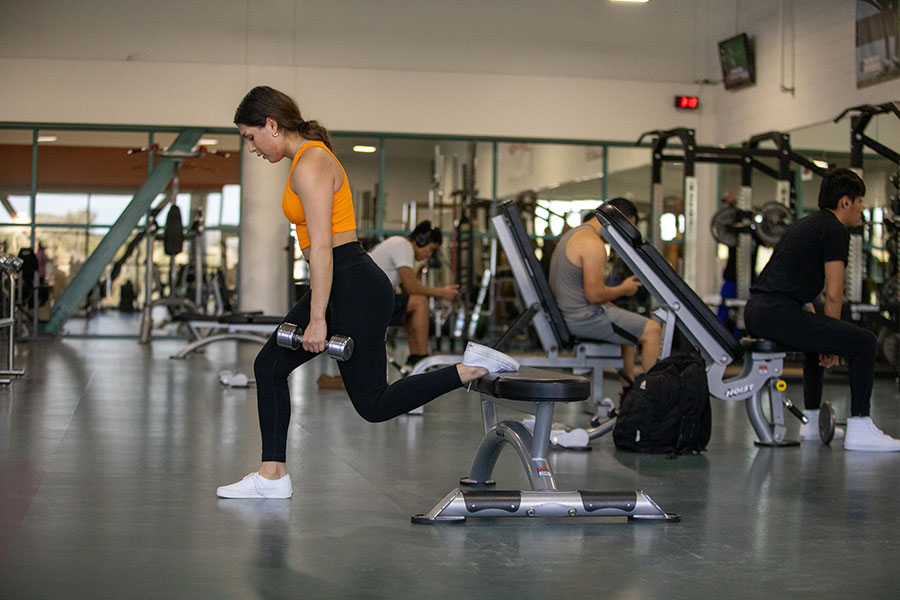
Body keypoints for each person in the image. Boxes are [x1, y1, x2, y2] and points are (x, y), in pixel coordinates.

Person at [218, 86, 520, 499]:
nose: (250, 147)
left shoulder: (312, 162)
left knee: (373, 404)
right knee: (270, 367)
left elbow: (323, 247)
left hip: (351, 282)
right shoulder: (307, 159)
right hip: (346, 280)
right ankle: (273, 476)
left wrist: (319, 318)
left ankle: (471, 369)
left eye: (250, 136)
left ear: (271, 124)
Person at [745, 168, 900, 451]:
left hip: (760, 311)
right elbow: (834, 293)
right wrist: (833, 341)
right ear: (845, 202)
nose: (862, 208)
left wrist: (825, 339)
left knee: (815, 343)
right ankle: (861, 427)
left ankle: (813, 423)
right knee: (864, 342)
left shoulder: (806, 225)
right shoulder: (834, 230)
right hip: (776, 312)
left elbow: (796, 287)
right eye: (860, 201)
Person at [549, 197, 662, 386]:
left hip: (571, 314)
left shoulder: (574, 235)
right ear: (618, 221)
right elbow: (594, 295)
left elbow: (583, 291)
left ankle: (629, 394)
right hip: (582, 318)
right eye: (627, 228)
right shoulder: (593, 244)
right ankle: (651, 401)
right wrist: (623, 289)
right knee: (653, 330)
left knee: (629, 331)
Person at [368, 220, 460, 367]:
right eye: (430, 249)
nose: (428, 255)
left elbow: (407, 289)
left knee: (413, 303)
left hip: (370, 300)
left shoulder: (397, 244)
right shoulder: (403, 246)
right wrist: (442, 292)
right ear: (421, 240)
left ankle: (415, 357)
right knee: (420, 302)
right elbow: (411, 288)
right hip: (369, 303)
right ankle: (423, 359)